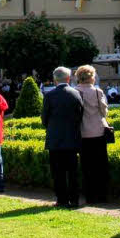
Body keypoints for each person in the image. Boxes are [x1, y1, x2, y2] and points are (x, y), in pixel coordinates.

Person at [42, 66, 83, 208]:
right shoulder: (76, 94)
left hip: (55, 139)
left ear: (55, 80)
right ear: (68, 78)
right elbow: (80, 115)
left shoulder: (49, 96)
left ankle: (61, 199)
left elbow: (44, 119)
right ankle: (75, 199)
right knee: (72, 171)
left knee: (57, 172)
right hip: (72, 137)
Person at [75, 64, 111, 204]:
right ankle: (103, 195)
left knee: (86, 166)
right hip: (99, 132)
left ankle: (90, 196)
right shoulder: (97, 91)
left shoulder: (75, 91)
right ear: (91, 77)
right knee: (101, 165)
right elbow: (104, 112)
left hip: (83, 133)